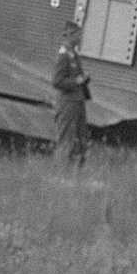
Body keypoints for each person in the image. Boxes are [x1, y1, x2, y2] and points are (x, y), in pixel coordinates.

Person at [52, 20, 90, 166]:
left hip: (77, 101)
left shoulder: (73, 54)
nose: (80, 38)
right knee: (67, 137)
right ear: (70, 35)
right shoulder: (64, 55)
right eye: (78, 34)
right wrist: (78, 81)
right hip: (68, 102)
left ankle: (76, 170)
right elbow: (57, 81)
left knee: (80, 138)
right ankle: (62, 171)